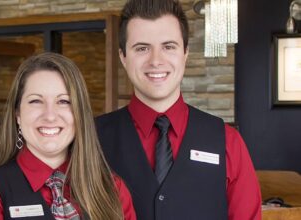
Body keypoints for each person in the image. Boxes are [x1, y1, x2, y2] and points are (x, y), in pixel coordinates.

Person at [95, 0, 262, 219]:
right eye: (142, 48)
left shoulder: (227, 141)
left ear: (185, 53)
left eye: (168, 46)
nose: (156, 61)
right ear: (123, 57)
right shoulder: (92, 139)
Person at [0, 52, 136, 220]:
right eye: (36, 101)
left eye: (64, 101)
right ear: (17, 114)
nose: (50, 116)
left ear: (79, 114)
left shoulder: (112, 188)